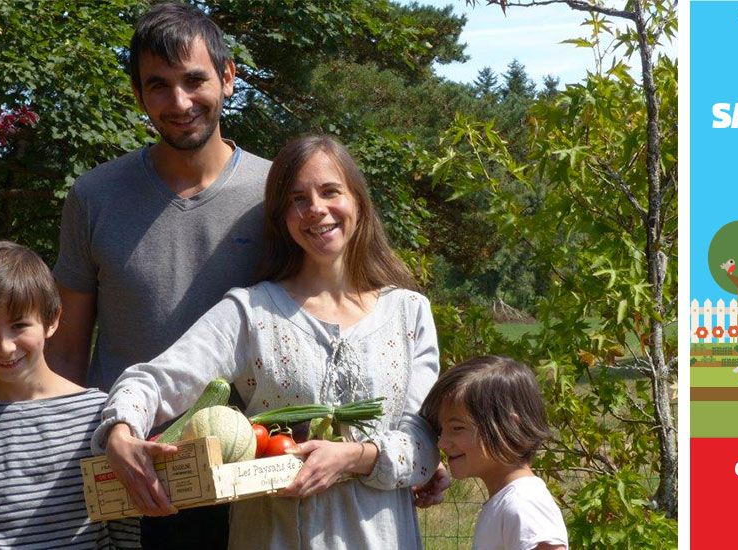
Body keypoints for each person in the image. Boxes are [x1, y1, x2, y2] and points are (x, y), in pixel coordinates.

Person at [93, 135, 441, 549]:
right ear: (282, 217)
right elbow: (155, 380)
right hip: (274, 536)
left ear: (358, 202)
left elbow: (422, 443)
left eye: (330, 191)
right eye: (298, 199)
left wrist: (354, 457)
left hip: (383, 537)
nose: (316, 209)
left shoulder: (408, 313)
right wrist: (120, 429)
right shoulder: (251, 312)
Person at [45, 4, 269, 546]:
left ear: (229, 78)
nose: (180, 102)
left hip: (254, 473)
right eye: (158, 86)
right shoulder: (94, 196)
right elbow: (67, 350)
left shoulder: (278, 195)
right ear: (139, 95)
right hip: (127, 471)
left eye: (195, 80)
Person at [0, 241, 139, 549]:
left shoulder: (100, 415)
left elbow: (123, 529)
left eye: (19, 325)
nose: (5, 346)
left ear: (51, 320)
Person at [419, 355, 568, 550]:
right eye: (441, 430)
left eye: (457, 428)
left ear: (507, 426)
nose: (442, 443)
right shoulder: (507, 501)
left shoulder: (523, 505)